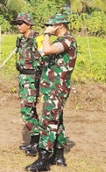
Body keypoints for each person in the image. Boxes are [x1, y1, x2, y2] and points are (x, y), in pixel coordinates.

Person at [26, 13, 77, 171]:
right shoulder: (59, 42)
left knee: (48, 122)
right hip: (51, 88)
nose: (47, 28)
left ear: (60, 26)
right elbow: (43, 52)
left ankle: (43, 159)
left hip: (57, 88)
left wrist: (46, 35)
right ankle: (58, 155)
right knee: (57, 120)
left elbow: (47, 50)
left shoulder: (68, 40)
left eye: (50, 25)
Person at [11, 13, 44, 156]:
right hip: (23, 79)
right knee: (30, 110)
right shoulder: (23, 40)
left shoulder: (38, 39)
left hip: (32, 79)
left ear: (29, 24)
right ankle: (34, 141)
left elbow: (46, 57)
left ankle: (38, 142)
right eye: (17, 23)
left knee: (26, 110)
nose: (18, 26)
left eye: (21, 23)